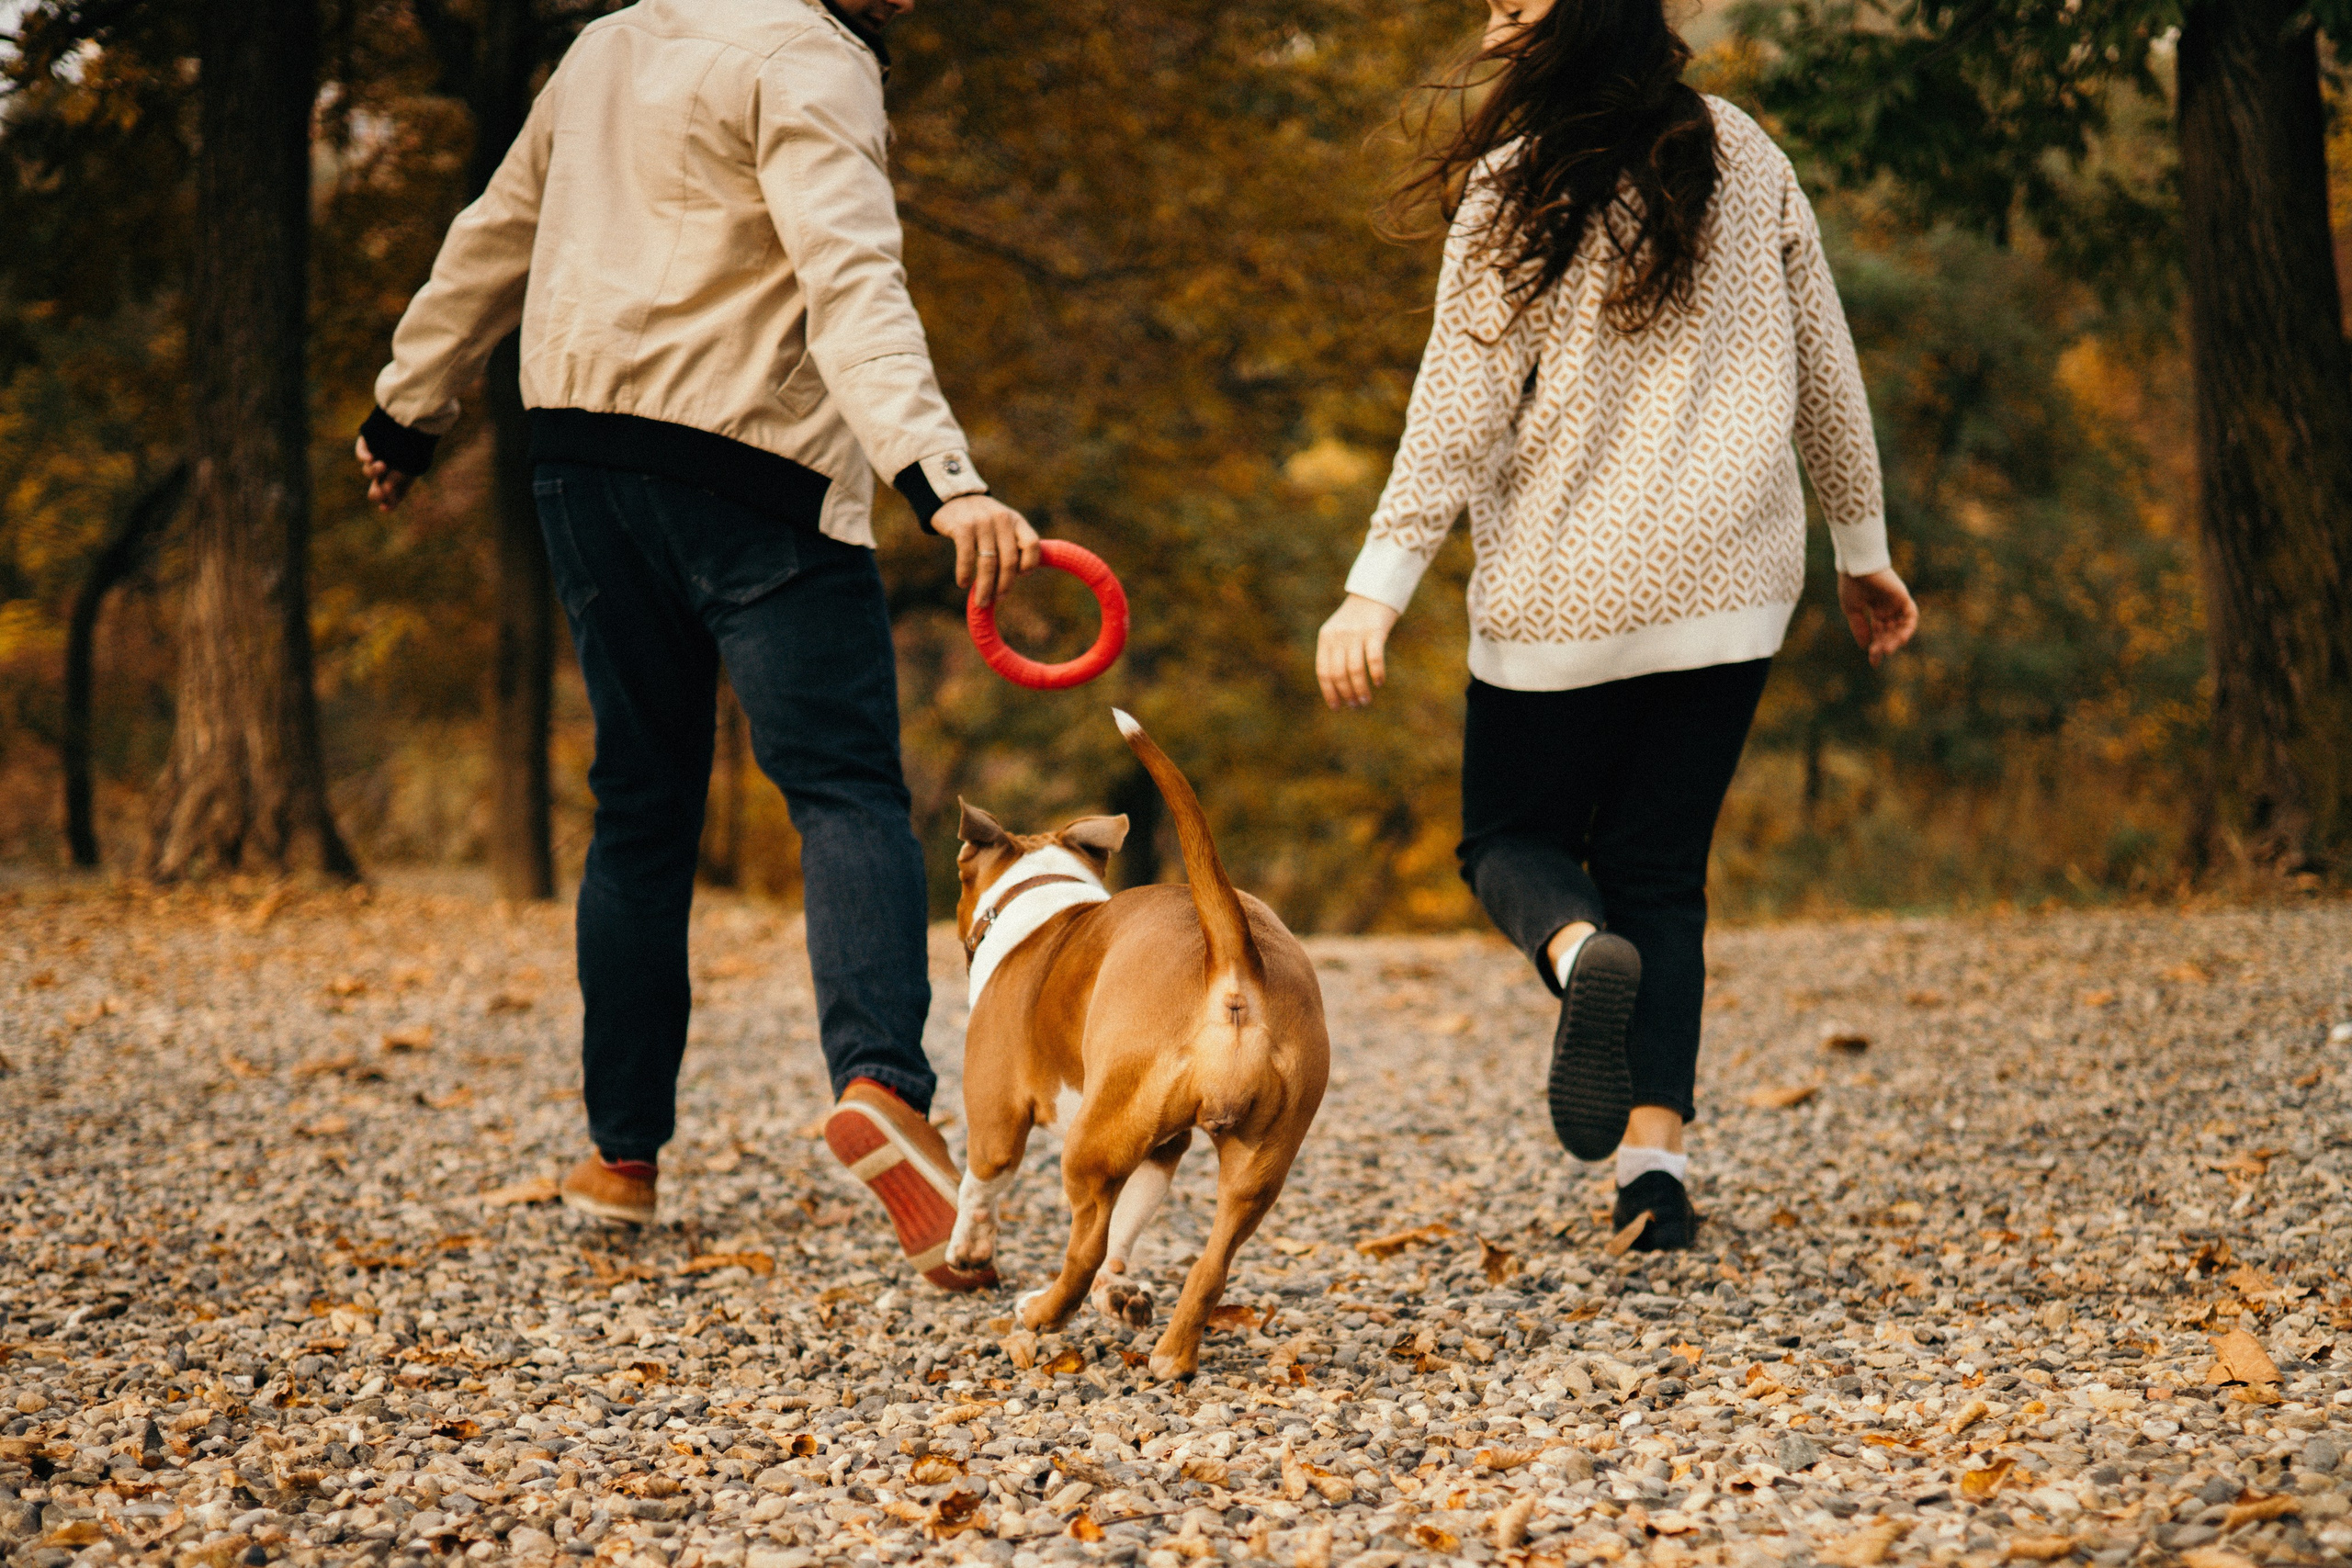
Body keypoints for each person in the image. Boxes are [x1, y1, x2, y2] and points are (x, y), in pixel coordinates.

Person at [355, 0, 1031, 1291]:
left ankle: (622, 1159)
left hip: (584, 459)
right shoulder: (811, 58)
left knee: (640, 805)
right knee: (841, 786)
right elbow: (850, 278)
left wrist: (408, 409)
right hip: (753, 466)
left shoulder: (608, 41)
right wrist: (943, 481)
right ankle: (882, 1085)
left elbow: (494, 232)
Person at [1316, 0, 1918, 1249]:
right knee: (1665, 878)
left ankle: (1576, 951)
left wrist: (1377, 583)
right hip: (1734, 586)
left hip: (1564, 594)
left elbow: (1456, 406)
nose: (1494, 19)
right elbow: (1826, 363)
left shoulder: (1513, 186)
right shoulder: (1747, 154)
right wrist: (1863, 552)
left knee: (1510, 843)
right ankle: (1658, 1176)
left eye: (1515, 2)